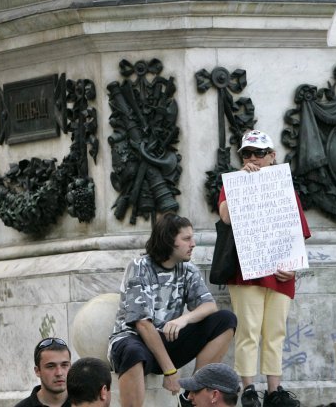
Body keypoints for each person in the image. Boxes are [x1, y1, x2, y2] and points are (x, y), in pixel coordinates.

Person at [218, 129, 312, 407]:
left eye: (260, 153)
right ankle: (248, 388)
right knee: (248, 330)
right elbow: (225, 216)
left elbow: (298, 233)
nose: (253, 158)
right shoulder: (234, 183)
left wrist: (294, 268)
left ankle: (274, 390)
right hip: (246, 272)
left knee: (275, 332)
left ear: (272, 156)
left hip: (281, 273)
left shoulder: (285, 187)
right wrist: (244, 185)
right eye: (247, 153)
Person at [108, 212, 237, 407]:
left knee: (225, 320)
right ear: (168, 241)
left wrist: (184, 319)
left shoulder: (187, 269)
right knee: (133, 352)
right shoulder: (139, 267)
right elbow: (142, 324)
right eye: (186, 239)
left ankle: (191, 396)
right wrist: (169, 371)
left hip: (168, 338)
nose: (193, 243)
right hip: (134, 340)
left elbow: (210, 306)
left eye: (192, 238)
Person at [15, 337, 72, 407]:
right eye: (51, 366)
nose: (59, 373)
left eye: (64, 365)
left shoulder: (85, 403)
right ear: (37, 371)